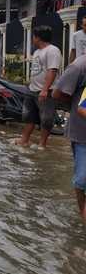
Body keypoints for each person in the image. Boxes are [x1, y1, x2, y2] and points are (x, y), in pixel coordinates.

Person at [52, 55, 86, 220]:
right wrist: (75, 105)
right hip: (82, 135)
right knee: (82, 180)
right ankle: (82, 213)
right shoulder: (79, 66)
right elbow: (57, 93)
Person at [18, 25, 62, 150]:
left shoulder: (52, 50)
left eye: (33, 36)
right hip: (32, 89)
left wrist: (44, 89)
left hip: (45, 91)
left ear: (38, 37)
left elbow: (52, 71)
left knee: (46, 119)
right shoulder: (37, 51)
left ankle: (42, 144)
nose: (32, 39)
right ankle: (24, 140)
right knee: (28, 116)